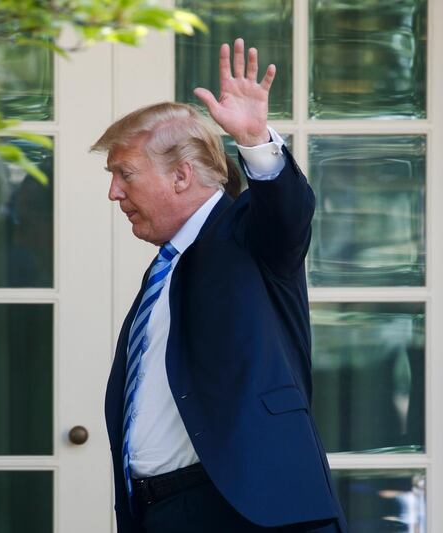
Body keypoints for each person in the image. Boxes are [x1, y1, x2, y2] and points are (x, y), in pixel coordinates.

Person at [94, 39, 348, 532]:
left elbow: (288, 214)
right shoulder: (165, 267)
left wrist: (254, 140)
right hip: (162, 512)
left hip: (248, 511)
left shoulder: (248, 234)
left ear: (182, 176)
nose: (113, 192)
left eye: (124, 174)